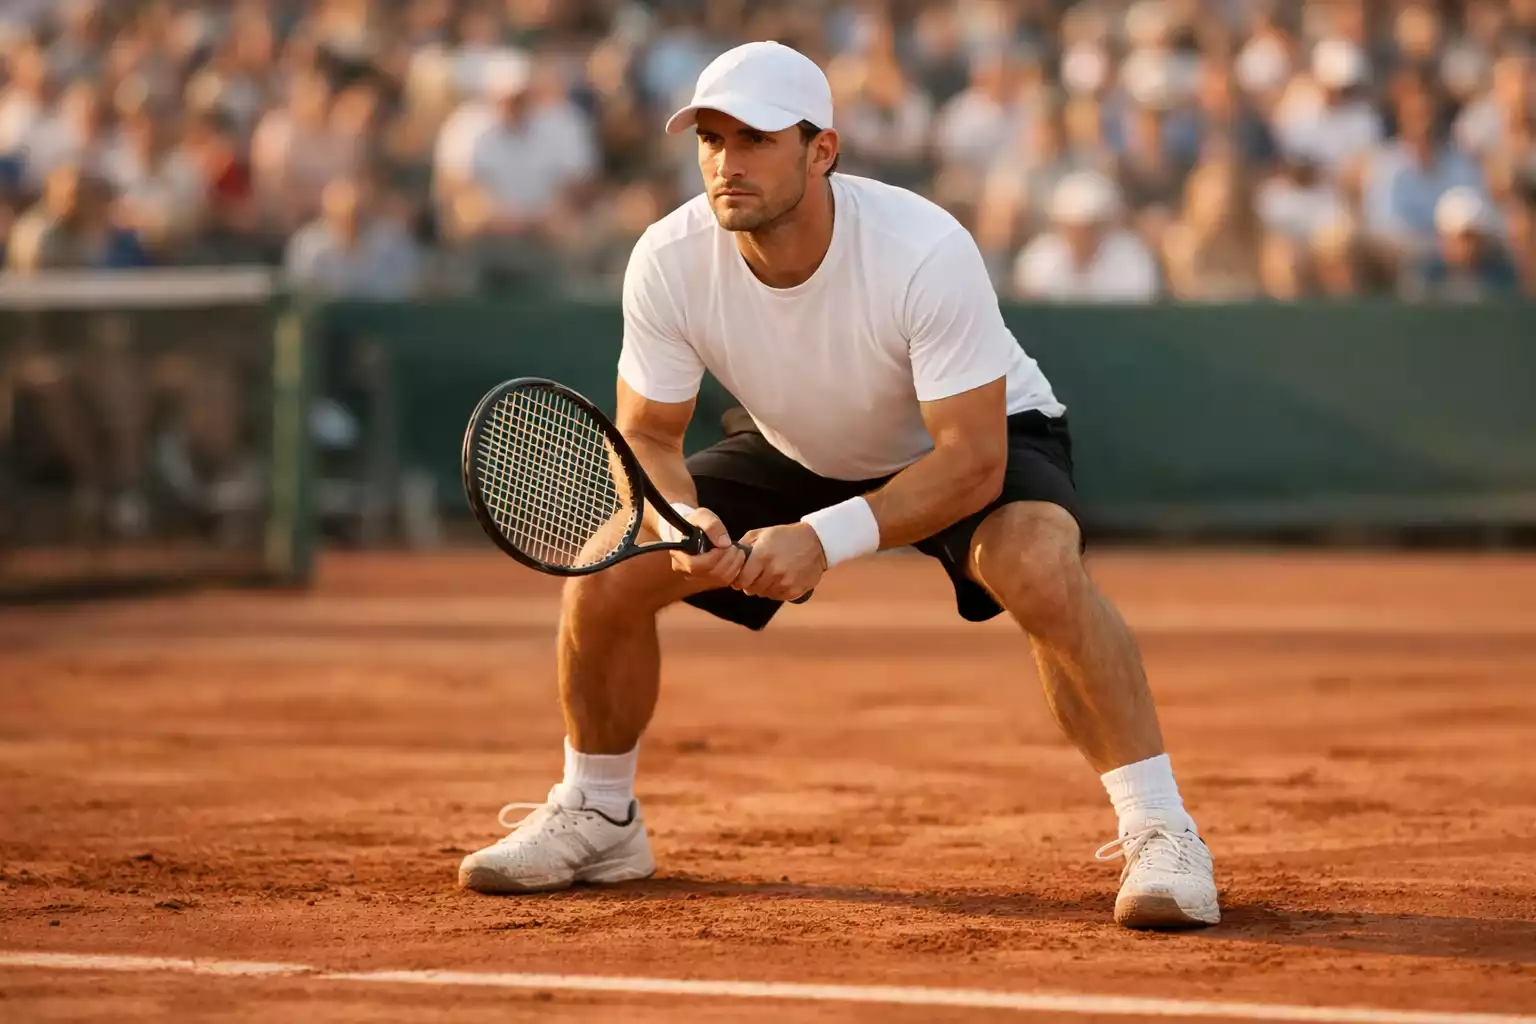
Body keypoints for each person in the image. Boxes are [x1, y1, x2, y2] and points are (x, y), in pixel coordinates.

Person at [457, 41, 1221, 930]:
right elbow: (651, 438)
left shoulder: (922, 247)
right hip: (795, 442)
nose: (726, 162)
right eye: (710, 138)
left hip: (969, 434)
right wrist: (679, 520)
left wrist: (823, 539)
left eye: (755, 138)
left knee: (1036, 566)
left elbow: (970, 460)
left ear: (822, 150)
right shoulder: (667, 257)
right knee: (608, 570)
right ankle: (600, 814)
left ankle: (1161, 830)